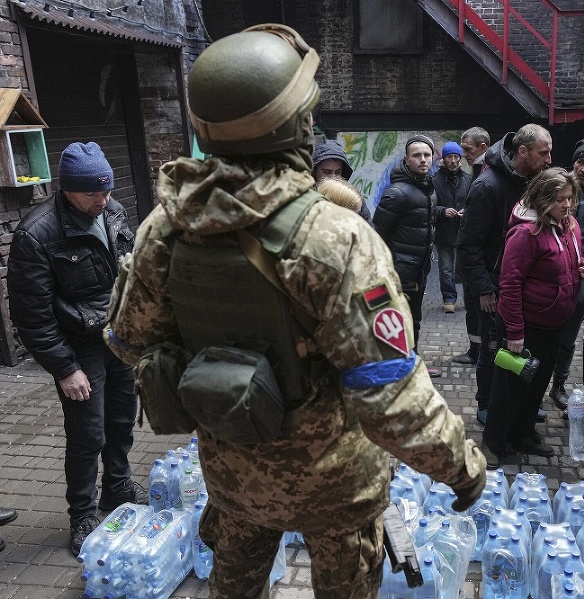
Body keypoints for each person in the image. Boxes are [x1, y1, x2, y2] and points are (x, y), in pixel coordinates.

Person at [103, 24, 486, 598]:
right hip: (336, 488)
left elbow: (128, 342)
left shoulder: (166, 226)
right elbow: (390, 396)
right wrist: (462, 468)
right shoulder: (334, 237)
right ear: (297, 124)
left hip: (234, 472)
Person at [7, 141, 147, 557]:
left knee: (122, 420)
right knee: (88, 435)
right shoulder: (37, 234)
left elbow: (132, 273)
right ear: (67, 188)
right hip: (79, 347)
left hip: (119, 339)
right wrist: (65, 368)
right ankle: (82, 514)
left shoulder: (114, 211)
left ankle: (118, 487)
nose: (102, 201)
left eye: (107, 190)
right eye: (92, 193)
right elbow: (31, 315)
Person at [482, 168, 584, 466]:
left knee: (536, 384)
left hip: (555, 322)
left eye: (570, 198)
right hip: (526, 325)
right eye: (559, 200)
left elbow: (566, 260)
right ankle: (495, 441)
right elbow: (510, 284)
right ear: (543, 200)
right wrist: (515, 332)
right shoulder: (525, 233)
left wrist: (583, 267)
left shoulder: (569, 226)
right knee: (510, 388)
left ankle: (523, 433)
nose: (567, 205)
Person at [457, 124, 552, 425]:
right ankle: (486, 404)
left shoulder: (534, 180)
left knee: (520, 347)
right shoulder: (488, 186)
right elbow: (468, 244)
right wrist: (484, 288)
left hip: (525, 285)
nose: (549, 160)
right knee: (491, 348)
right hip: (494, 285)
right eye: (544, 153)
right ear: (522, 152)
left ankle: (517, 404)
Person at [548, 138, 584, 410]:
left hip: (581, 274)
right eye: (581, 162)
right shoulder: (556, 186)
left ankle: (558, 384)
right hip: (551, 270)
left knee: (569, 335)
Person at [373, 134, 437, 353]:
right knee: (397, 321)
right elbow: (377, 236)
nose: (422, 159)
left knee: (414, 320)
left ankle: (413, 364)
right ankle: (399, 367)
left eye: (427, 155)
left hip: (419, 271)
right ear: (406, 160)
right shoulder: (397, 193)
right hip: (399, 273)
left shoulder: (428, 188)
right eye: (416, 155)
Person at [452, 127, 491, 366]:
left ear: (482, 148)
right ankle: (475, 350)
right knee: (471, 307)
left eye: (467, 149)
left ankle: (482, 352)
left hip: (479, 258)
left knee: (480, 308)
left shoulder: (487, 175)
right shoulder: (477, 172)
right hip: (470, 256)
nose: (463, 154)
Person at [433, 141, 472, 313]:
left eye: (456, 157)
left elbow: (474, 203)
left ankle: (470, 299)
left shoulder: (468, 180)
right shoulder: (434, 181)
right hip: (444, 233)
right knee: (446, 268)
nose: (454, 160)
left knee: (467, 267)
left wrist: (467, 211)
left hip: (464, 232)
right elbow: (429, 207)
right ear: (444, 159)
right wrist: (442, 211)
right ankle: (449, 299)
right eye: (450, 157)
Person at [312, 139, 371, 223]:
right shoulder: (305, 198)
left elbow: (368, 230)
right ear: (314, 171)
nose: (333, 177)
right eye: (327, 172)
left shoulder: (353, 197)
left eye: (338, 172)